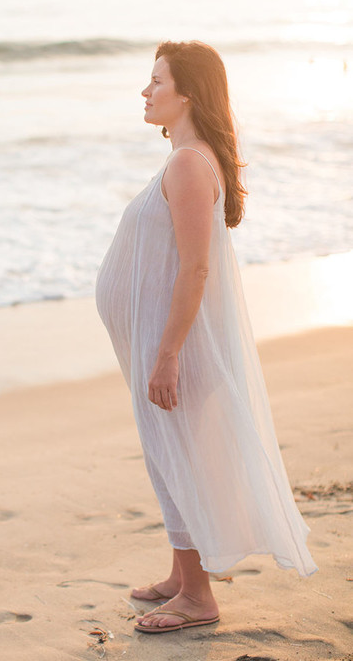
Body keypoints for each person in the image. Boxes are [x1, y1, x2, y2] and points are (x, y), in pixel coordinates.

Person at [95, 40, 317, 635]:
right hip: (168, 340)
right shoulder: (188, 158)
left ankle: (197, 597)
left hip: (178, 344)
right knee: (170, 455)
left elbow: (196, 268)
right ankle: (180, 576)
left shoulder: (190, 163)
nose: (146, 91)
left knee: (178, 456)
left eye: (157, 81)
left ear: (187, 92)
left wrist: (167, 353)